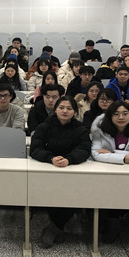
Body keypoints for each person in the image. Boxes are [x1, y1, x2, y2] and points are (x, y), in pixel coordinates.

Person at [89, 101, 129, 241]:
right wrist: (125, 158)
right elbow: (96, 153)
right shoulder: (100, 131)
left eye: (125, 113)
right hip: (106, 174)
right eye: (116, 114)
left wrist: (113, 153)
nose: (121, 117)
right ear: (110, 116)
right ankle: (109, 221)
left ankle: (116, 221)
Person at [31, 96, 92, 248]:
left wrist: (69, 160)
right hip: (49, 170)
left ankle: (54, 228)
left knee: (75, 195)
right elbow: (35, 148)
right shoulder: (44, 127)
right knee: (50, 193)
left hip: (72, 172)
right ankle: (58, 226)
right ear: (55, 109)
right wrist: (50, 158)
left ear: (75, 111)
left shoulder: (81, 130)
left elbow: (84, 150)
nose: (65, 111)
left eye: (69, 108)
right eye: (61, 107)